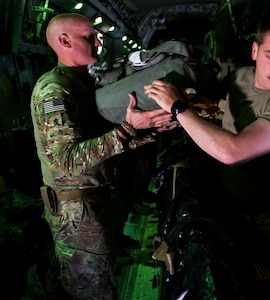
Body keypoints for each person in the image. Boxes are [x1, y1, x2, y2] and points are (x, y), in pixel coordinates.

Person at [144, 13, 270, 268]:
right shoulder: (240, 77)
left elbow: (231, 152)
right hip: (229, 201)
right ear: (255, 51)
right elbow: (215, 107)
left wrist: (177, 107)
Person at [30, 13, 175, 299]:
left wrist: (149, 130)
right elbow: (66, 161)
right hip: (76, 212)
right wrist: (126, 130)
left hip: (93, 202)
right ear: (64, 41)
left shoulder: (82, 84)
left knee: (104, 279)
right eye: (89, 36)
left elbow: (100, 142)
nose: (99, 41)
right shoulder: (53, 92)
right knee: (92, 290)